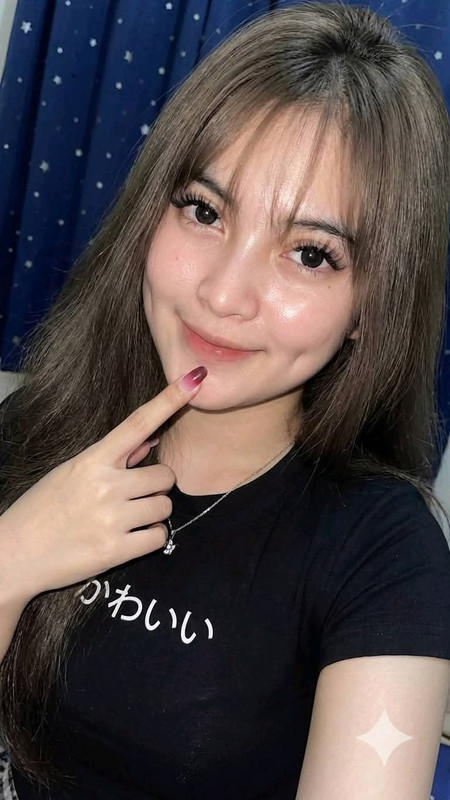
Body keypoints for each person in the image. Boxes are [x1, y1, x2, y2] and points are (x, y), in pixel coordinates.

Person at [0, 1, 449, 798]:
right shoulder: (30, 428)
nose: (223, 293)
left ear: (371, 308)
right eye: (204, 211)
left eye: (310, 254)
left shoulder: (384, 553)